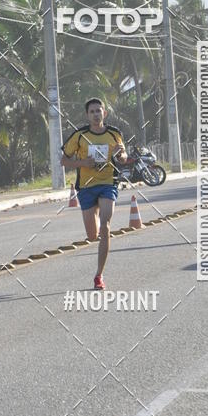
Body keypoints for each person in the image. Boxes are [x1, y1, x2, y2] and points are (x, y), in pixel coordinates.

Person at [61, 98, 127, 290]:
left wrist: (120, 155)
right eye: (92, 112)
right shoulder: (79, 136)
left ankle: (99, 275)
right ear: (87, 115)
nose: (96, 114)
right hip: (86, 187)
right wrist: (82, 163)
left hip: (108, 184)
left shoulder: (114, 134)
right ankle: (96, 219)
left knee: (106, 227)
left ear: (104, 113)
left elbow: (122, 158)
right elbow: (63, 161)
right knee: (92, 235)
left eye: (99, 111)